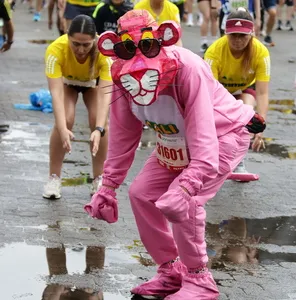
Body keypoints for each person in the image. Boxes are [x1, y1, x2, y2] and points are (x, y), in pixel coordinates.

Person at [84, 9, 266, 299]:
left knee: (183, 201)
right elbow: (123, 134)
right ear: (114, 47)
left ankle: (199, 280)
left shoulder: (188, 68)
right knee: (141, 194)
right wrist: (108, 186)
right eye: (126, 48)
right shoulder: (120, 75)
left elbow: (204, 138)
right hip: (174, 139)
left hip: (223, 134)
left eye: (147, 45)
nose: (137, 57)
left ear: (163, 39)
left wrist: (187, 185)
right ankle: (170, 271)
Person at [43, 14, 112, 199]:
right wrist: (63, 128)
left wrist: (98, 128)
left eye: (86, 45)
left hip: (93, 85)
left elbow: (106, 95)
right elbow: (56, 95)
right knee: (65, 119)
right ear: (67, 35)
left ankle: (99, 178)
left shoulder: (105, 52)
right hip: (67, 84)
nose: (80, 50)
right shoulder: (55, 49)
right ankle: (54, 178)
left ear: (95, 39)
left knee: (100, 122)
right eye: (75, 44)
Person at [205, 7, 270, 175]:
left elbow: (262, 93)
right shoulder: (214, 51)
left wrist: (261, 126)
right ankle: (212, 158)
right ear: (225, 33)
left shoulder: (261, 52)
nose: (238, 40)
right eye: (233, 35)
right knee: (217, 120)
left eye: (243, 35)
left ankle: (239, 160)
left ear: (252, 34)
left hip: (245, 88)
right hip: (219, 90)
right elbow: (208, 93)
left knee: (245, 111)